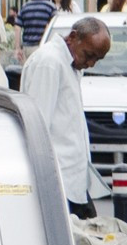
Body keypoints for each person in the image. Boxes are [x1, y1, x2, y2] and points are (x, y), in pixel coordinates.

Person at [20, 17, 113, 219]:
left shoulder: (67, 62)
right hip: (58, 181)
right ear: (73, 37)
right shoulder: (50, 63)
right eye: (89, 55)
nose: (90, 64)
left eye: (97, 59)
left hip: (73, 180)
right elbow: (37, 126)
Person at [15, 0, 59, 64]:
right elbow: (55, 25)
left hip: (27, 47)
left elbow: (17, 27)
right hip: (44, 46)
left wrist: (17, 48)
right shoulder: (50, 6)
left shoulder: (25, 6)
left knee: (28, 73)